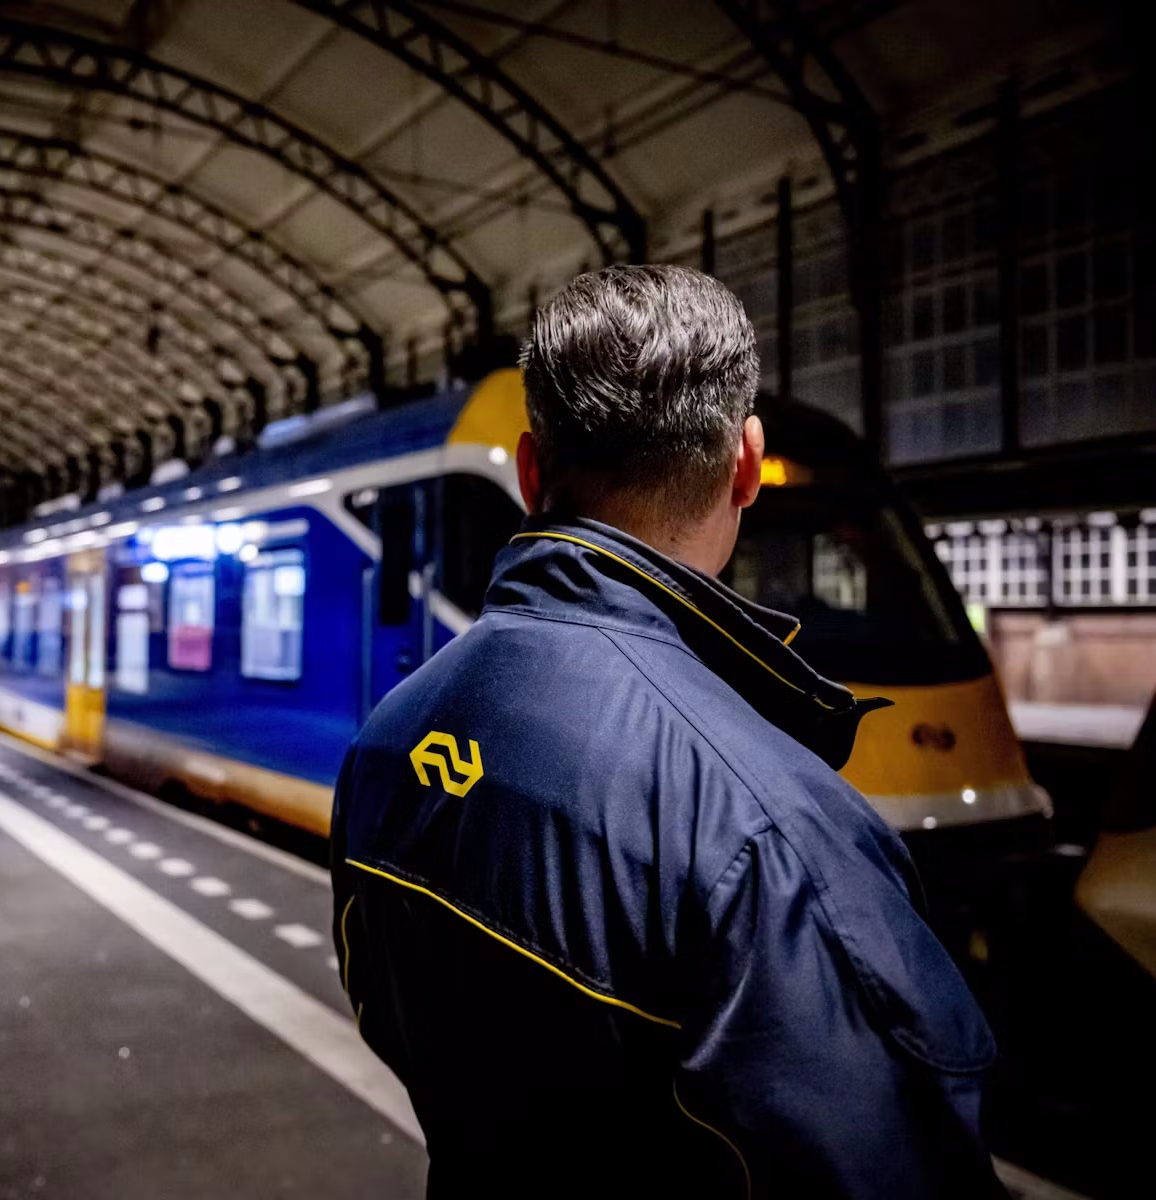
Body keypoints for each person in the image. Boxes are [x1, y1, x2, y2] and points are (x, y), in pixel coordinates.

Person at [330, 265, 1003, 1197]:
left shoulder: (385, 742)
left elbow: (391, 1017)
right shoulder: (774, 832)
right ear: (745, 462)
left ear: (531, 470)